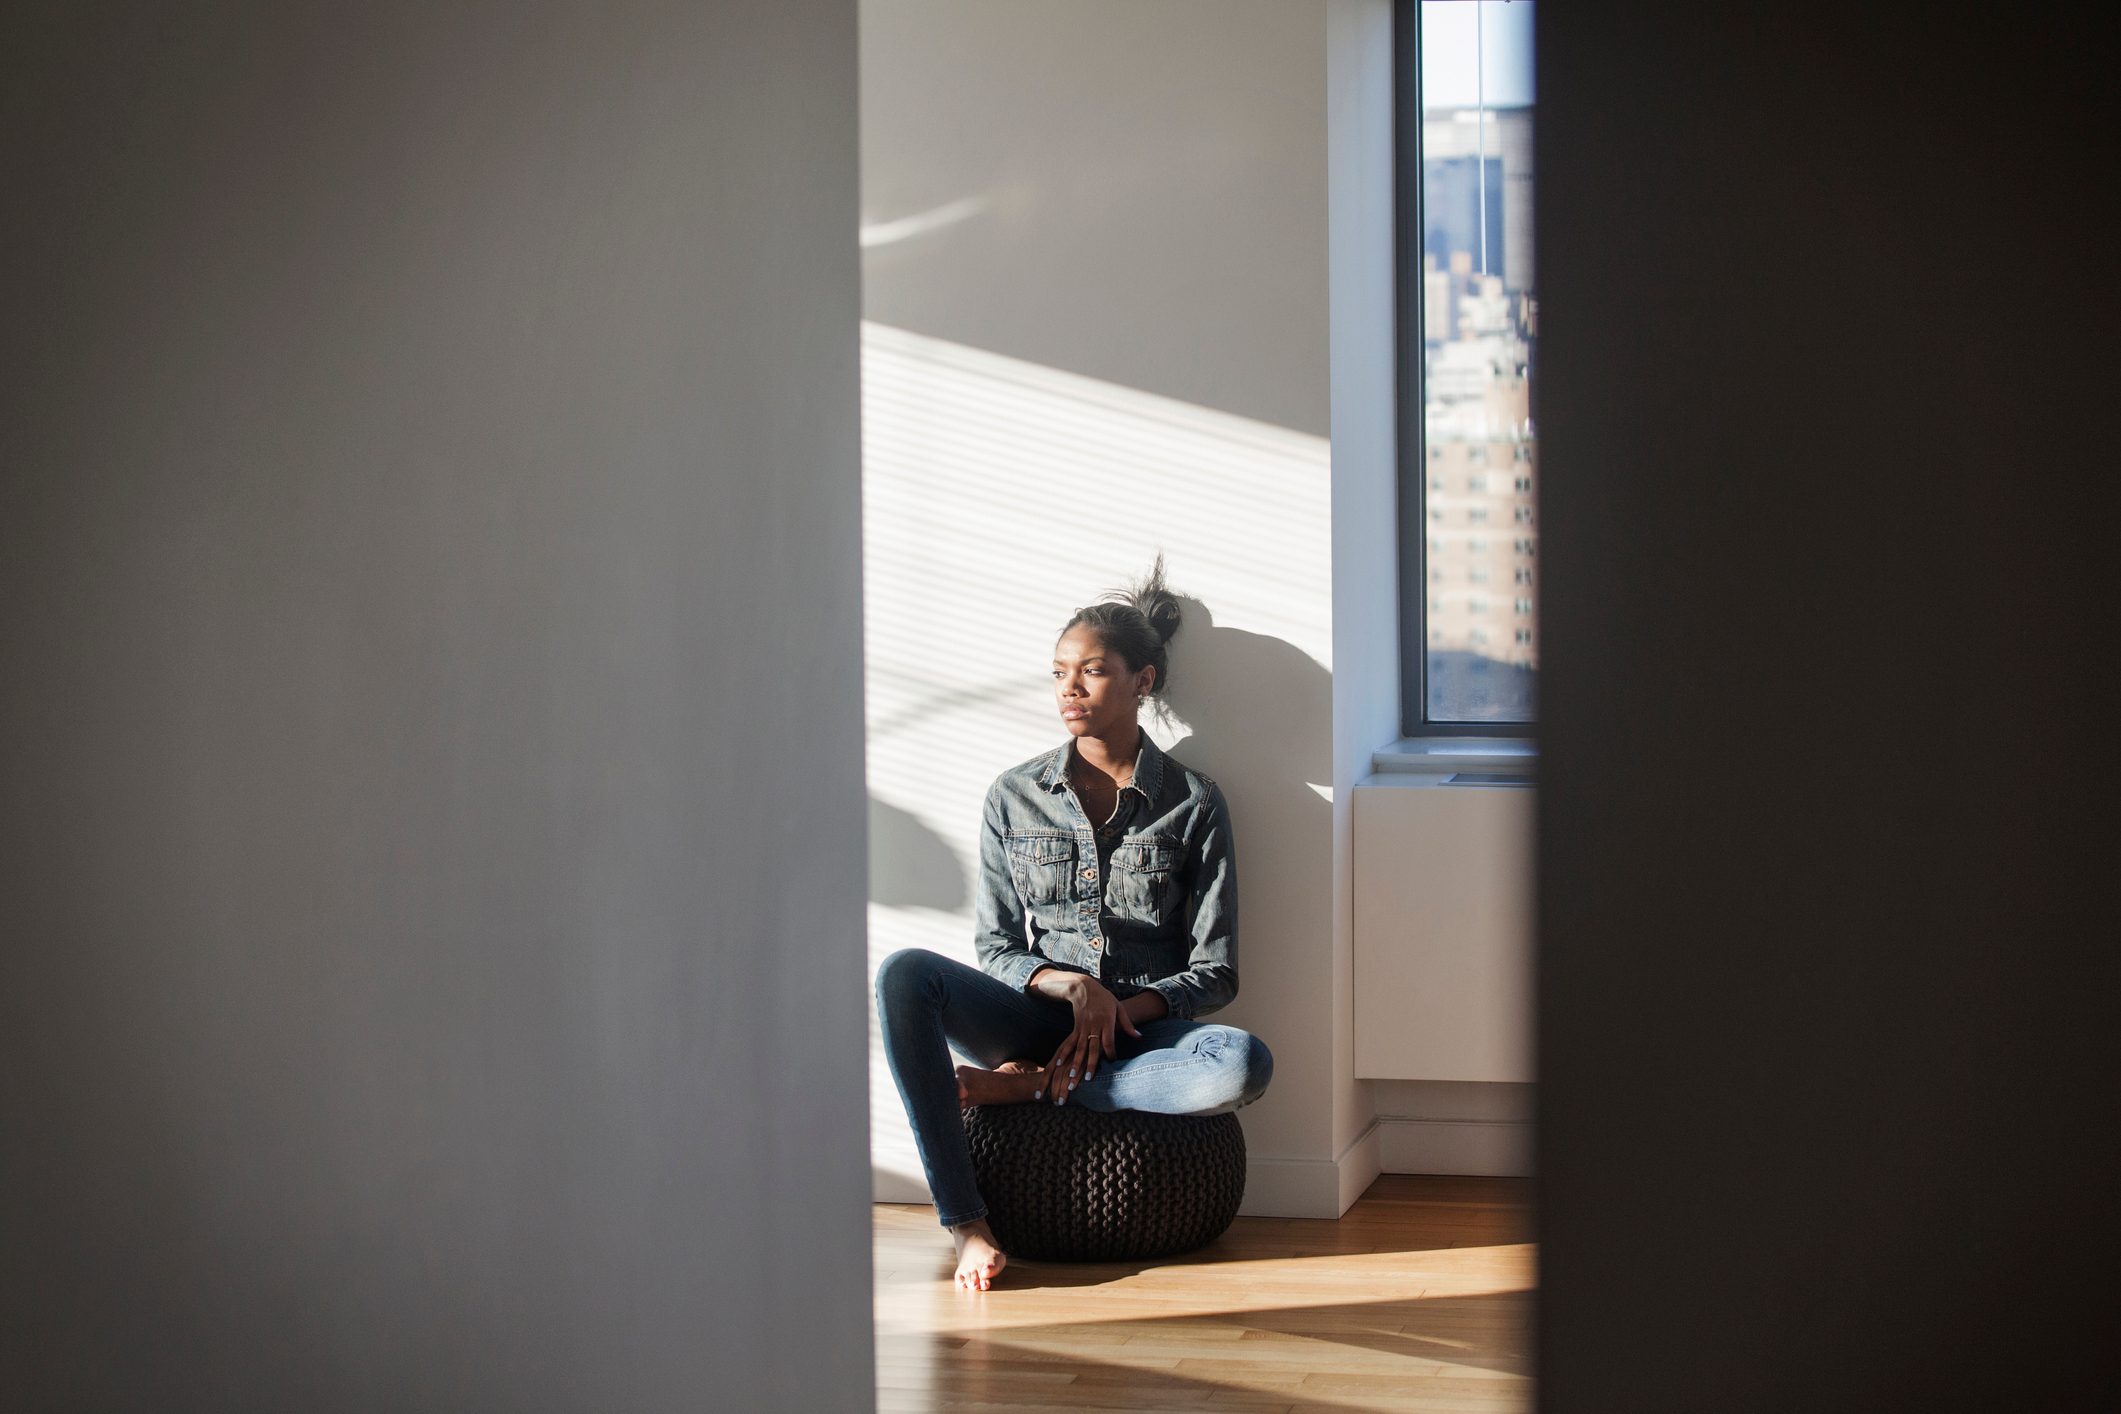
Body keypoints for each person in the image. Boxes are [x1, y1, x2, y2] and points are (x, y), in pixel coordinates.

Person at [873, 558, 1274, 1291]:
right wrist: (1067, 987)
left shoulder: (1193, 802)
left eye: (1090, 672)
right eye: (1059, 672)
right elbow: (995, 944)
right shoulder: (1014, 795)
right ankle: (966, 1223)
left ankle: (1027, 1090)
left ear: (1142, 682)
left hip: (1141, 1033)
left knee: (1243, 1063)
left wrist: (1117, 1007)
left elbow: (1215, 970)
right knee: (903, 974)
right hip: (1031, 1017)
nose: (1068, 689)